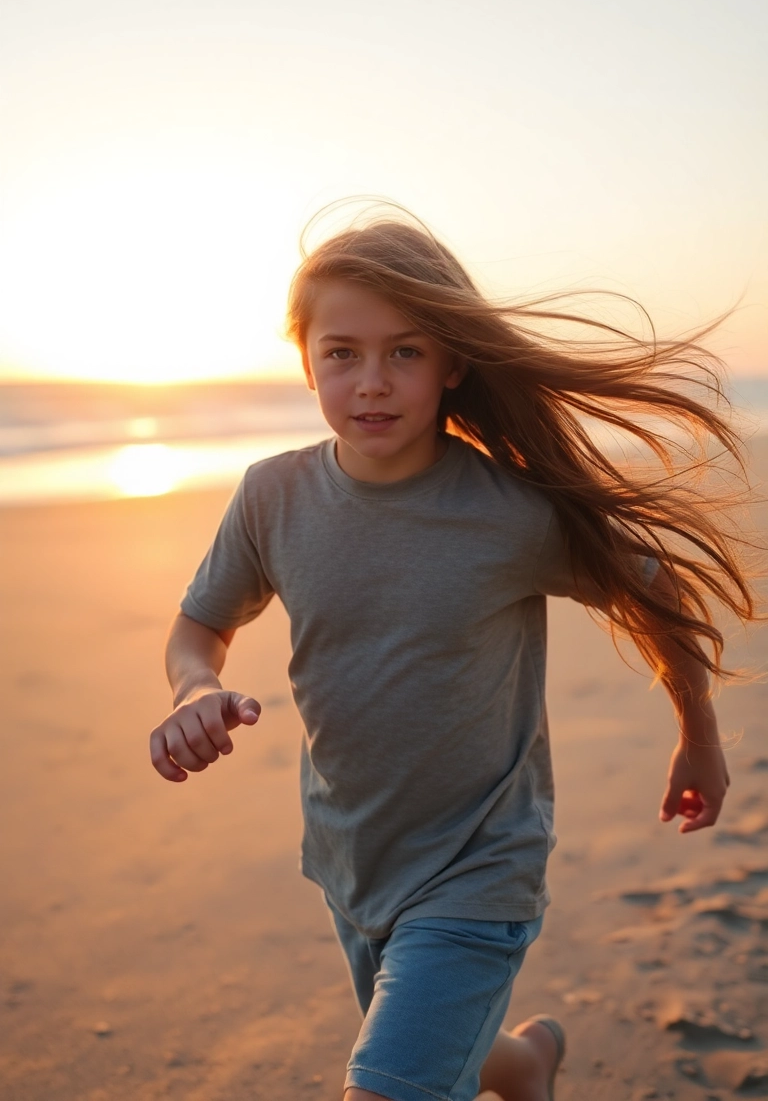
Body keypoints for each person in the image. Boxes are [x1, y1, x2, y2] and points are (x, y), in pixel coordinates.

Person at [149, 209, 755, 1101]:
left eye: (406, 352)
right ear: (308, 360)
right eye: (343, 353)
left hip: (480, 865)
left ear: (452, 363)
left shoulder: (509, 513)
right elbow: (198, 627)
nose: (372, 383)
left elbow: (655, 592)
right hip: (351, 853)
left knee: (391, 1085)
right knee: (444, 1055)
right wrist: (193, 688)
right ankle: (526, 1064)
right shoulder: (271, 496)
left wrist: (698, 731)